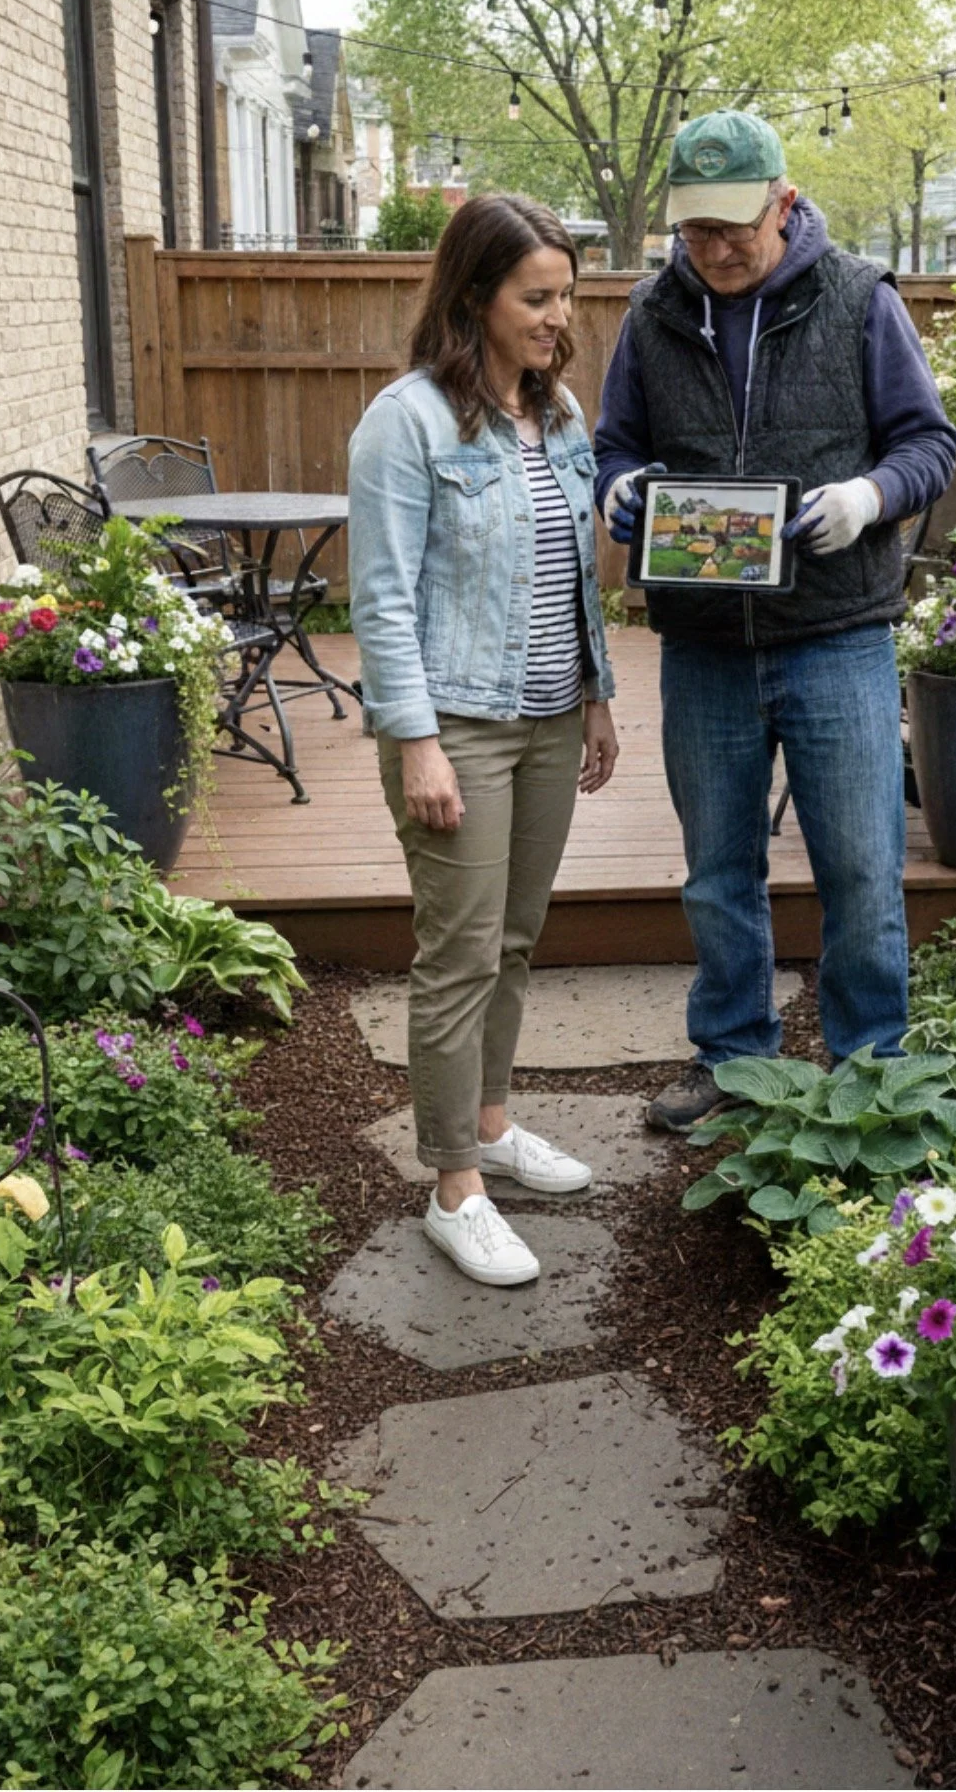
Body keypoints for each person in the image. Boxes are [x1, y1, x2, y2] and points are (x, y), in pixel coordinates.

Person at [595, 111, 956, 1132]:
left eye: (731, 227)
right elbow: (613, 443)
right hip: (704, 644)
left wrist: (866, 498)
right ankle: (733, 1057)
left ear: (782, 202)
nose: (710, 248)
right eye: (692, 228)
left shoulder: (857, 300)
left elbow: (928, 443)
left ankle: (868, 1068)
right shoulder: (651, 312)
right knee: (717, 869)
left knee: (858, 864)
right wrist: (621, 491)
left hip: (837, 631)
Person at [348, 193, 619, 1285]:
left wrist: (595, 695)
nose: (561, 317)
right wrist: (416, 742)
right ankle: (452, 1183)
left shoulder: (560, 418)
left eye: (566, 295)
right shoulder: (404, 422)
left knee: (513, 938)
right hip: (456, 721)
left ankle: (494, 1126)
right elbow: (379, 599)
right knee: (457, 954)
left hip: (552, 716)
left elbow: (571, 577)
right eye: (537, 297)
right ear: (474, 298)